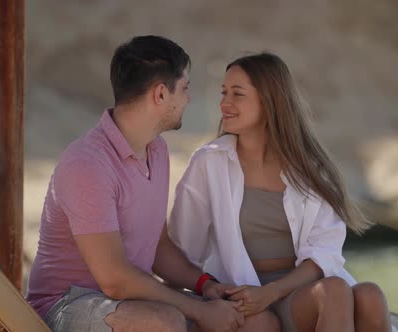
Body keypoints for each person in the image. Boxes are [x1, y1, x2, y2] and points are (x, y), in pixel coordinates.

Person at [26, 36, 280, 332]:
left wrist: (206, 286)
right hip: (64, 306)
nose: (188, 99)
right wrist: (198, 310)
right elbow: (115, 279)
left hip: (130, 302)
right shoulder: (87, 164)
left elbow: (157, 246)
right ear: (161, 94)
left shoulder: (157, 150)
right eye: (184, 89)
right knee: (164, 322)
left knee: (258, 322)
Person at [169, 53, 395, 332]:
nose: (224, 103)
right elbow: (182, 246)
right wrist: (201, 295)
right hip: (242, 295)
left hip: (295, 292)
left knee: (370, 295)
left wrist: (272, 292)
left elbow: (324, 253)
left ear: (269, 101)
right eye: (224, 92)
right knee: (335, 291)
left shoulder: (310, 169)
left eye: (237, 94)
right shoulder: (209, 162)